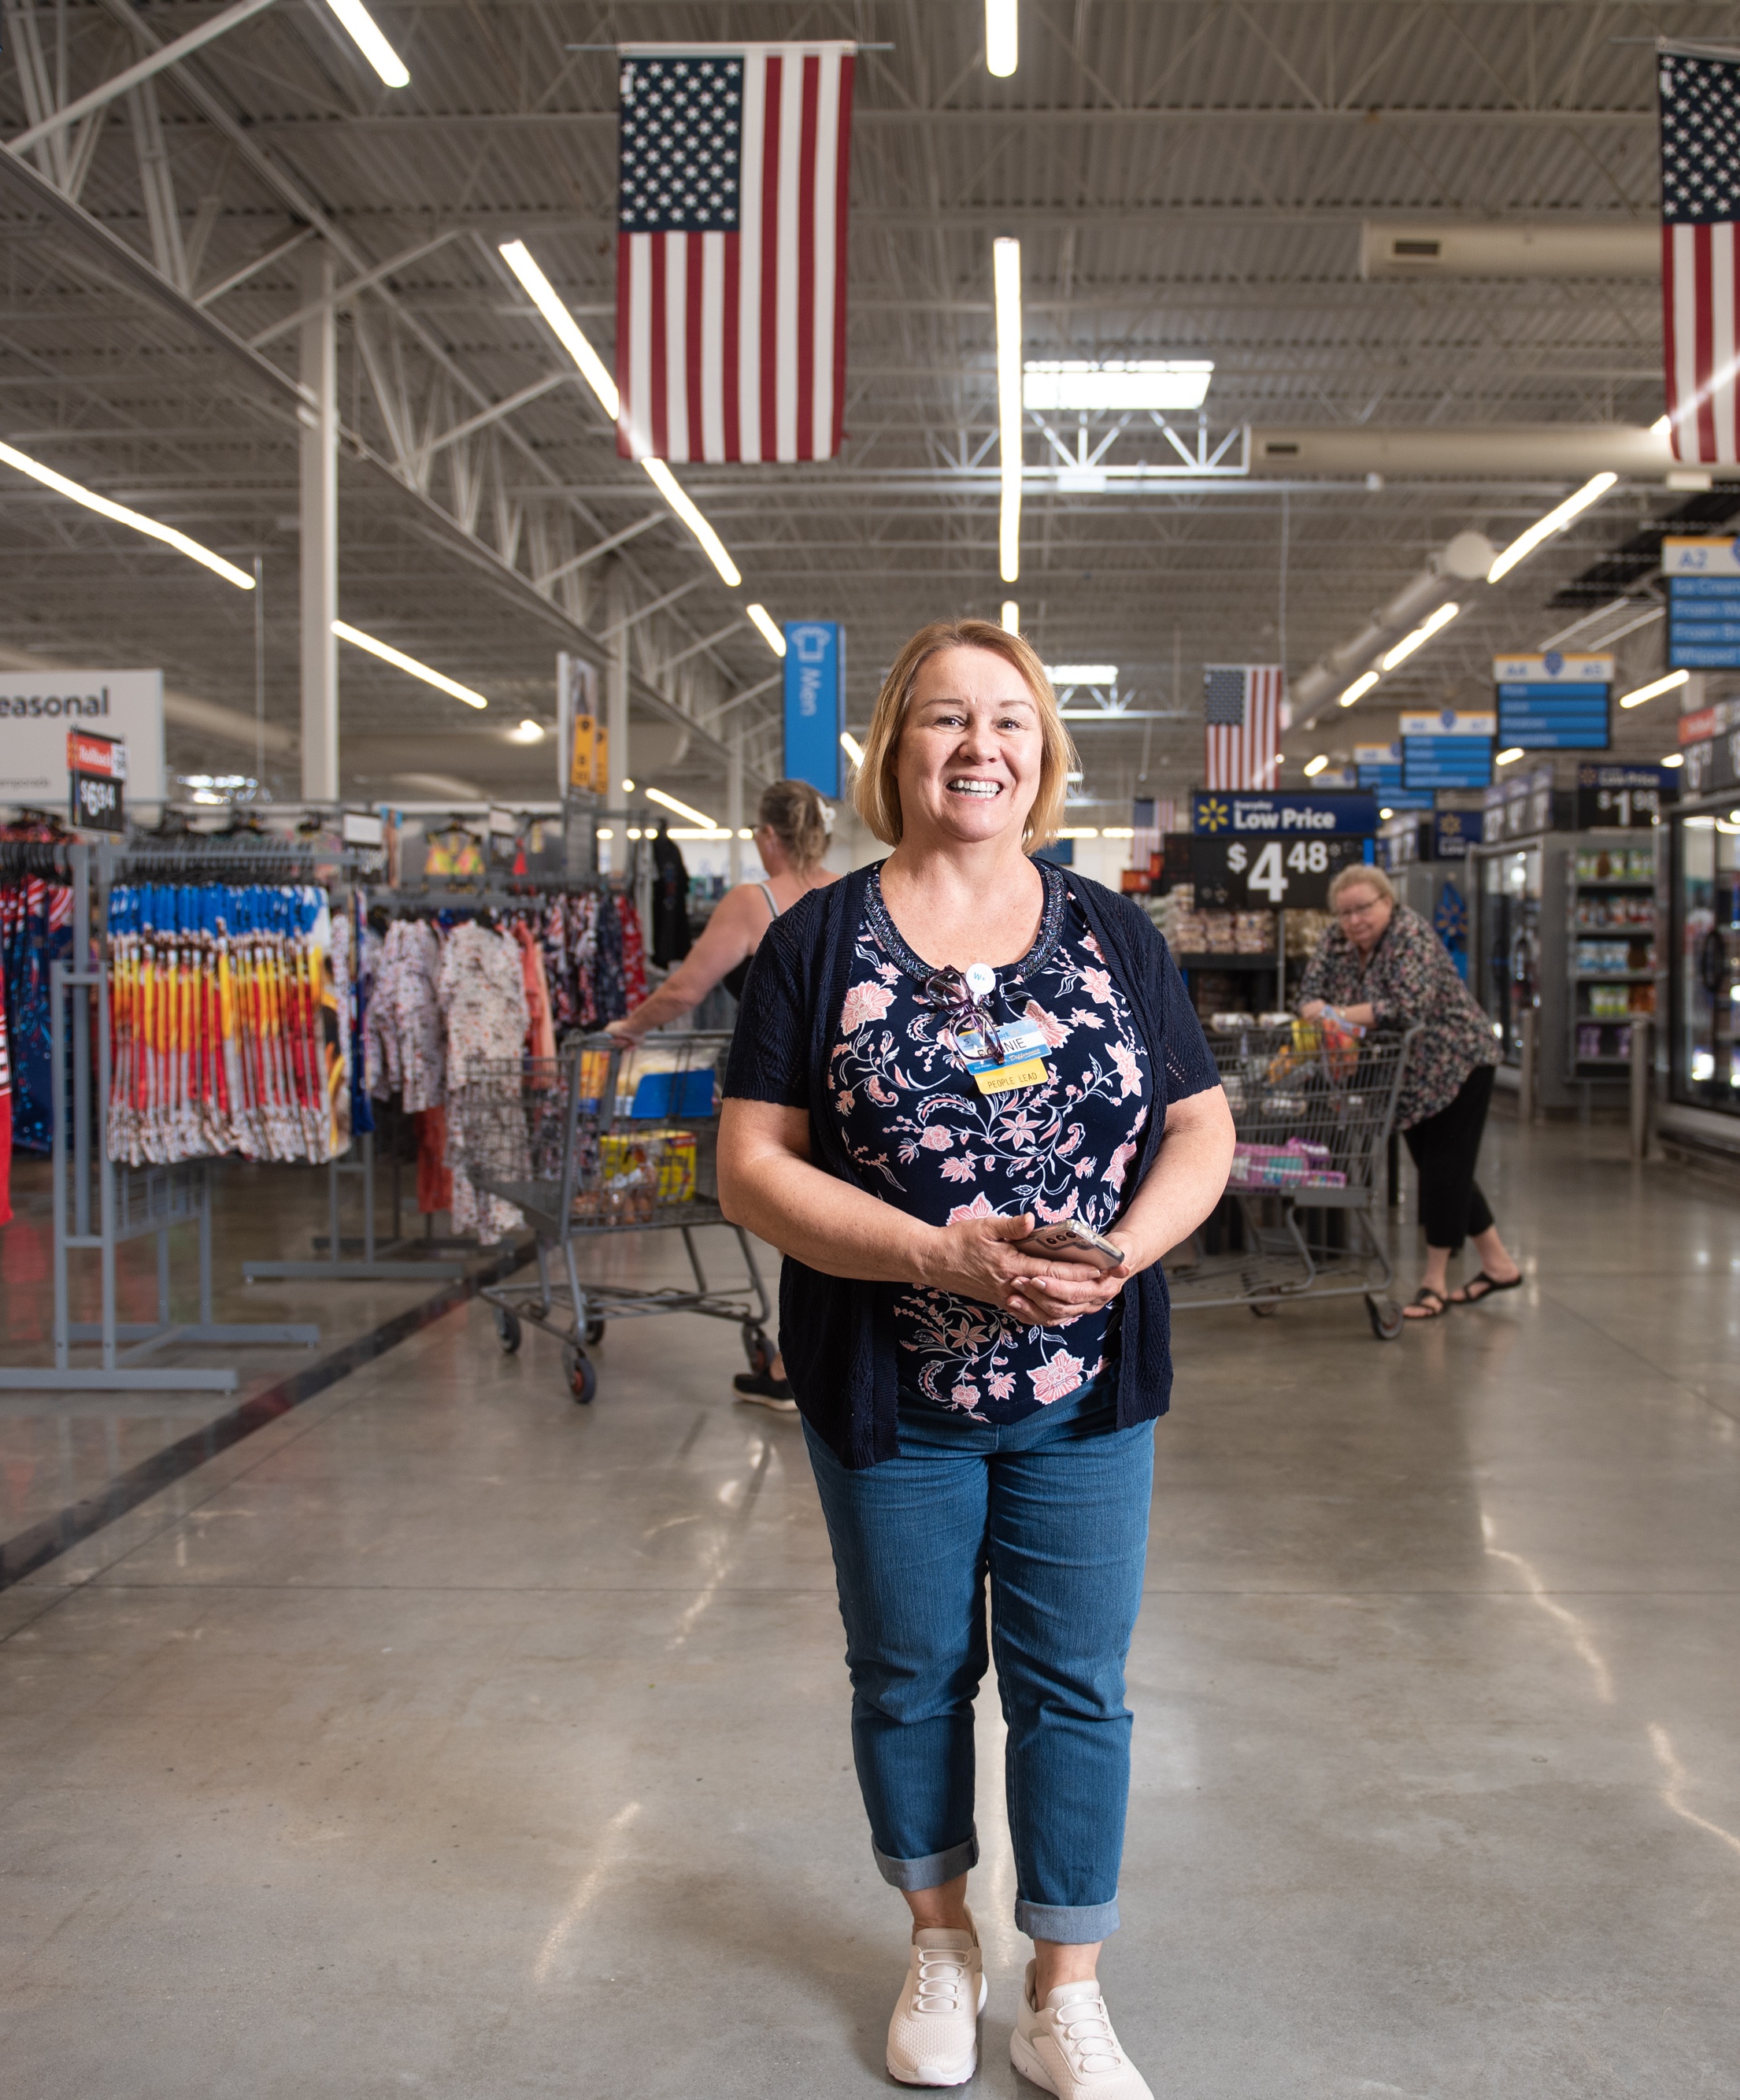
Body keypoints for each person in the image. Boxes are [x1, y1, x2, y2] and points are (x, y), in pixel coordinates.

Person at [721, 619, 1234, 2099]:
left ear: (1043, 752)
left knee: (1078, 1684)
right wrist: (941, 1254)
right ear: (895, 747)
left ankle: (1065, 1988)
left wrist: (1122, 1255)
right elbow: (752, 1166)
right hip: (894, 1400)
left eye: (1007, 720)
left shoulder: (1115, 931)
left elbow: (1199, 1128)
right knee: (909, 1675)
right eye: (945, 719)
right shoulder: (816, 940)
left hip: (1084, 1399)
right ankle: (940, 1940)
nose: (978, 746)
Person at [610, 781, 845, 1413]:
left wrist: (628, 1027)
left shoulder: (753, 901)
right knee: (841, 1222)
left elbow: (687, 988)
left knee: (802, 1226)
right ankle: (802, 1363)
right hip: (851, 1082)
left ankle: (796, 1369)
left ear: (769, 836)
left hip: (785, 1088)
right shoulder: (848, 888)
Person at [1296, 861, 1520, 1319]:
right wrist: (1329, 1010)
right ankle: (1498, 1265)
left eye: (1364, 908)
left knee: (1443, 1170)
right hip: (1405, 1074)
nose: (1355, 920)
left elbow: (1406, 1006)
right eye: (1345, 912)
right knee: (1445, 1168)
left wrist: (1332, 1013)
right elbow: (1307, 996)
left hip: (1458, 1061)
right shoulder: (1336, 942)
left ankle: (1435, 1283)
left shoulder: (1410, 935)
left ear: (1388, 902)